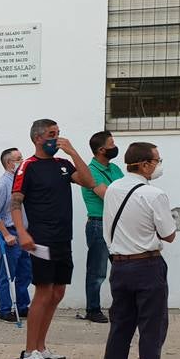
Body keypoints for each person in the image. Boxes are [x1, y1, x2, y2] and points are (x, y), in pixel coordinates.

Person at [96, 142, 180, 359]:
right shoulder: (154, 194)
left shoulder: (112, 189)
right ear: (145, 164)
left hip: (120, 267)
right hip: (147, 267)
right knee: (152, 330)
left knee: (120, 327)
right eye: (157, 161)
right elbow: (169, 234)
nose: (158, 166)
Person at [11, 119, 96, 359]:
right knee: (44, 292)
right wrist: (23, 233)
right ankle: (28, 353)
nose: (57, 138)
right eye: (52, 134)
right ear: (38, 138)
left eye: (58, 133)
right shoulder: (28, 166)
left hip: (63, 238)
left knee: (58, 293)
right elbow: (15, 203)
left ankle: (41, 346)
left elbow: (89, 181)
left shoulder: (63, 164)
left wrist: (73, 151)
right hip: (40, 240)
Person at [79, 130, 123, 324]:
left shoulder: (114, 168)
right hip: (99, 223)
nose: (115, 147)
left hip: (118, 224)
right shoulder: (90, 172)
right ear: (101, 150)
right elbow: (109, 195)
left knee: (123, 269)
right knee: (97, 271)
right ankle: (93, 309)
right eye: (112, 144)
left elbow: (127, 190)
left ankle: (123, 307)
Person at [0, 147, 31, 323]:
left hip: (23, 232)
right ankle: (5, 309)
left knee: (25, 272)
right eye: (19, 159)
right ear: (9, 163)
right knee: (7, 274)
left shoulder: (20, 182)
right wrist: (6, 235)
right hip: (11, 233)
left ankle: (22, 307)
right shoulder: (2, 184)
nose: (22, 162)